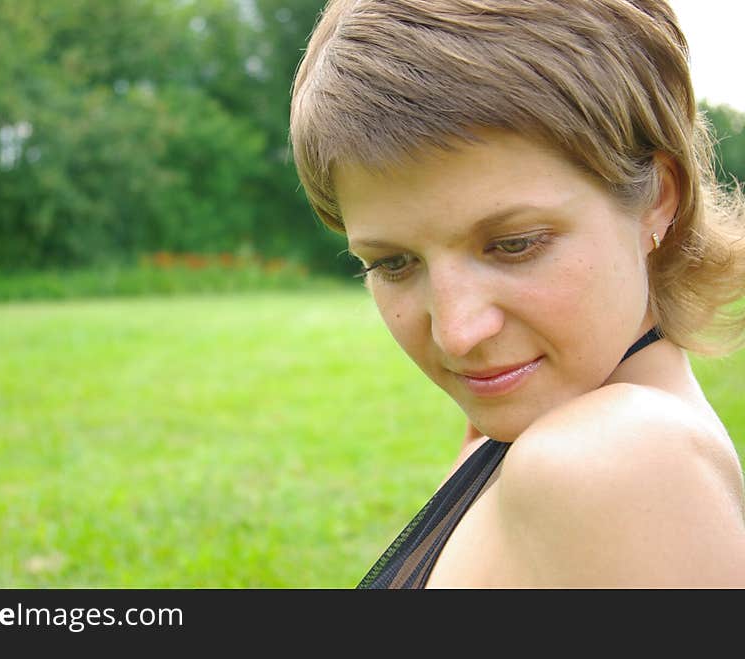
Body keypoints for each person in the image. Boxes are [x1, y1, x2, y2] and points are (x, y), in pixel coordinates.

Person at [289, 0, 745, 587]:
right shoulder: (528, 438)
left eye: (514, 244)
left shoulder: (614, 461)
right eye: (394, 262)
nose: (457, 332)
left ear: (658, 195)